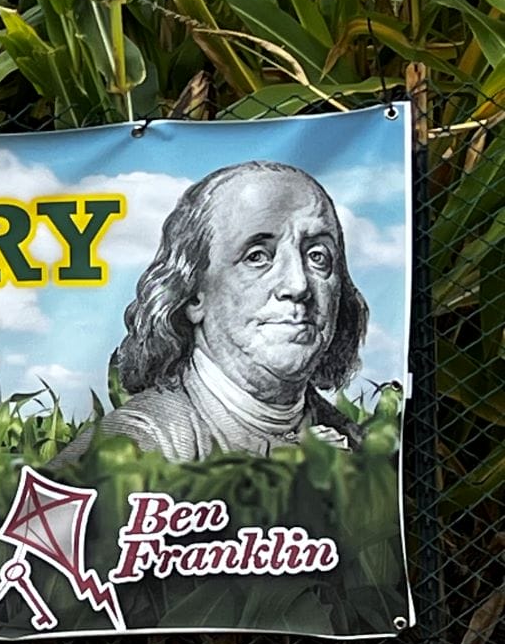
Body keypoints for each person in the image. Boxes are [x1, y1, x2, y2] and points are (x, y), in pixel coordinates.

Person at [56, 160, 369, 464]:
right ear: (193, 295)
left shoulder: (361, 444)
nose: (298, 285)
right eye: (257, 256)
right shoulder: (133, 445)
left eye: (318, 256)